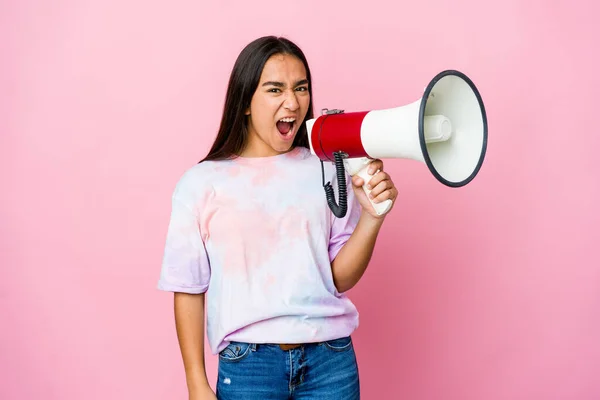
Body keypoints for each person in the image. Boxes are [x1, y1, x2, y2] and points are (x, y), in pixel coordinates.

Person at [157, 35, 398, 400]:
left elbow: (337, 278)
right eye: (275, 89)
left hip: (330, 360)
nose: (293, 102)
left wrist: (371, 218)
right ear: (246, 102)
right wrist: (196, 382)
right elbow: (188, 289)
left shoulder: (327, 167)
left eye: (301, 88)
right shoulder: (200, 183)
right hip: (248, 364)